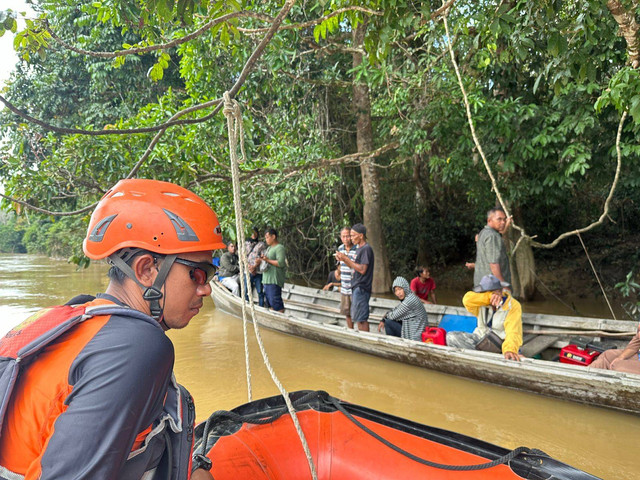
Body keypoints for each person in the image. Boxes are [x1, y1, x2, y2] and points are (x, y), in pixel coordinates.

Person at [0, 179, 218, 479]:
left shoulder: (73, 318)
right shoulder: (137, 346)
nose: (206, 289)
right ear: (146, 270)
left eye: (211, 274)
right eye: (197, 274)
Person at [446, 274, 523, 361]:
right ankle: (475, 360)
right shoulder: (482, 302)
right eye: (485, 293)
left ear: (500, 292)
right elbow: (467, 300)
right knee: (451, 337)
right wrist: (488, 297)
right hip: (481, 339)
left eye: (494, 293)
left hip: (499, 344)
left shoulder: (513, 306)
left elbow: (513, 332)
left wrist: (510, 350)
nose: (492, 297)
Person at [335, 223, 374, 332]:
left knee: (361, 319)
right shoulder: (360, 249)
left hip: (361, 288)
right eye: (348, 236)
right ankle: (357, 335)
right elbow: (353, 265)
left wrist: (346, 259)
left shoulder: (365, 249)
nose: (350, 238)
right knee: (356, 316)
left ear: (360, 236)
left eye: (352, 235)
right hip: (355, 287)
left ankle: (365, 341)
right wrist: (343, 260)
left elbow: (362, 269)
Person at [471, 206, 512, 287]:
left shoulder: (484, 232)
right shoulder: (493, 236)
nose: (503, 222)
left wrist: (507, 225)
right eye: (499, 219)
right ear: (489, 220)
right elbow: (494, 264)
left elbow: (499, 234)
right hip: (493, 287)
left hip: (482, 285)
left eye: (504, 219)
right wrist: (503, 285)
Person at [378, 277, 428, 341]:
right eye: (395, 290)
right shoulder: (410, 297)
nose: (398, 293)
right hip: (415, 332)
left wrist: (384, 319)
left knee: (388, 322)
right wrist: (384, 319)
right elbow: (396, 309)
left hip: (415, 337)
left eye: (400, 289)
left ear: (405, 288)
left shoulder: (409, 301)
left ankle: (393, 345)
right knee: (391, 319)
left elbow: (393, 316)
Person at [257, 228, 286, 313]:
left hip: (274, 280)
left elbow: (281, 263)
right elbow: (266, 261)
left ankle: (281, 320)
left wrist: (267, 260)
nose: (266, 239)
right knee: (269, 303)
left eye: (267, 237)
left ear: (273, 237)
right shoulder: (269, 248)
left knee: (276, 302)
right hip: (266, 279)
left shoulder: (279, 248)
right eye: (265, 237)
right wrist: (261, 260)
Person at [336, 227, 358, 329]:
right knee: (347, 313)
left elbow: (354, 266)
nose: (346, 239)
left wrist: (344, 259)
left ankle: (360, 333)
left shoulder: (358, 249)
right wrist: (338, 270)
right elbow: (341, 265)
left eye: (348, 236)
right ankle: (350, 331)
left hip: (355, 287)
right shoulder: (340, 248)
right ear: (341, 238)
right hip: (344, 287)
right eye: (343, 236)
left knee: (357, 313)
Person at [245, 227, 266, 306]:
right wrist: (249, 267)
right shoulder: (245, 243)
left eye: (255, 233)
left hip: (258, 272)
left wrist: (254, 267)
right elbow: (242, 257)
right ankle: (247, 307)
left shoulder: (261, 244)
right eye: (252, 233)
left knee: (260, 291)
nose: (253, 235)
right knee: (246, 290)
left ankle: (261, 307)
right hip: (247, 271)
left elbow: (263, 257)